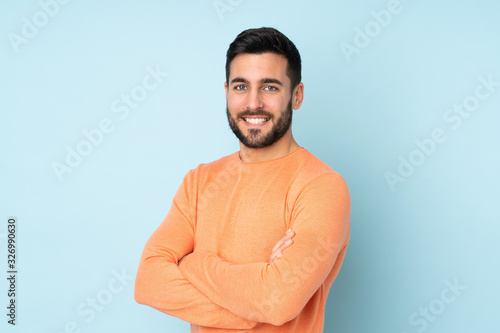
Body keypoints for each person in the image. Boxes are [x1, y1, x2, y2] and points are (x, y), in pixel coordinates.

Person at [134, 27, 351, 332]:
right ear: (226, 92)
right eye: (240, 86)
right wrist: (253, 303)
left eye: (270, 87)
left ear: (297, 95)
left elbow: (277, 301)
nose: (253, 103)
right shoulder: (199, 181)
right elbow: (148, 280)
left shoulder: (321, 186)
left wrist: (193, 263)